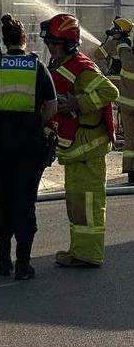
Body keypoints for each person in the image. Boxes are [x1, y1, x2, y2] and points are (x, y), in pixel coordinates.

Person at [0, 14, 57, 281]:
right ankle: (23, 264)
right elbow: (52, 106)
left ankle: (2, 261)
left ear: (4, 40)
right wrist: (36, 123)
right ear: (24, 39)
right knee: (25, 201)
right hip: (30, 146)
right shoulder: (38, 67)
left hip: (0, 145)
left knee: (2, 201)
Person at [40, 13, 119, 267]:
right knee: (76, 206)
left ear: (69, 44)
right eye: (49, 43)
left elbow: (110, 91)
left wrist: (78, 103)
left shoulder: (82, 68)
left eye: (55, 44)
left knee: (89, 207)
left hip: (89, 150)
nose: (51, 48)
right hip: (76, 151)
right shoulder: (62, 65)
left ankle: (90, 255)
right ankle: (79, 252)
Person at [94, 17, 134, 184]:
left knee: (130, 137)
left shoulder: (114, 45)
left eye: (114, 27)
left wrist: (107, 42)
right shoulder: (130, 45)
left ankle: (131, 171)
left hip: (123, 95)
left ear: (118, 30)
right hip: (125, 92)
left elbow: (98, 54)